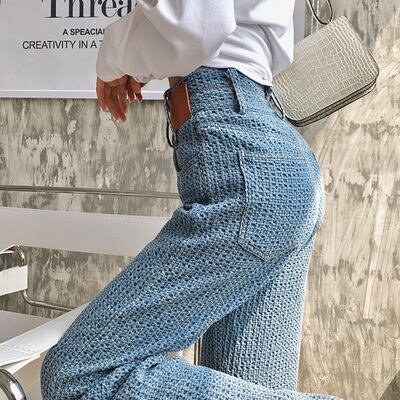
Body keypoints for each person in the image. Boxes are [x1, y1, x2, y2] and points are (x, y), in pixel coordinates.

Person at [40, 1, 344, 399]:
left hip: (241, 159)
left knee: (78, 372)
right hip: (275, 157)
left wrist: (112, 58)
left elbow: (200, 24)